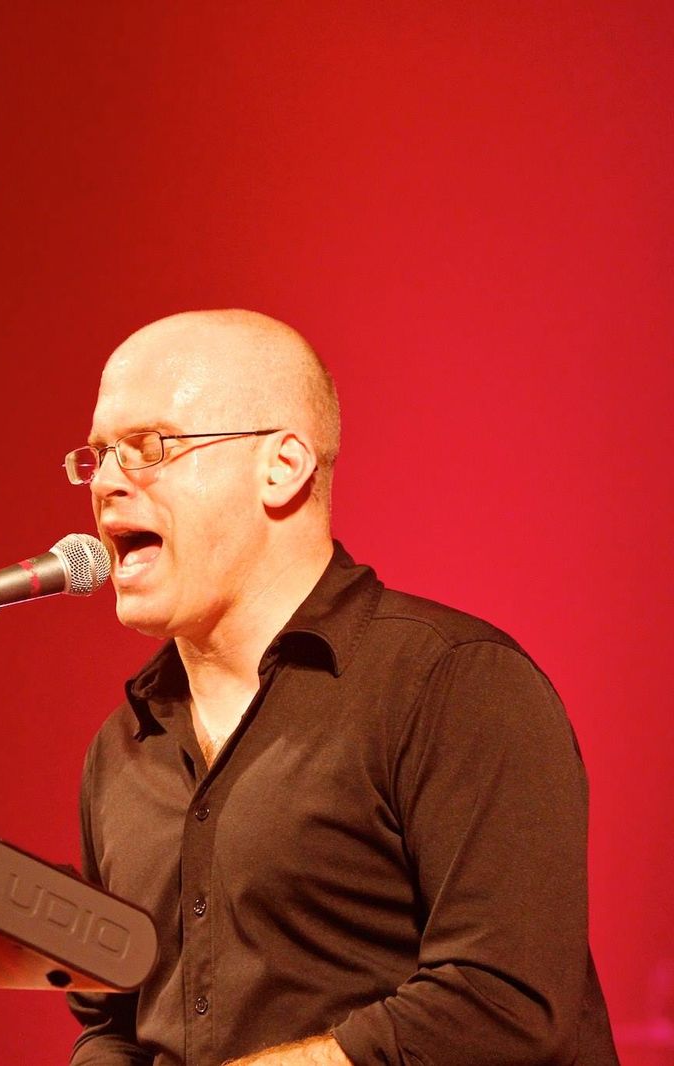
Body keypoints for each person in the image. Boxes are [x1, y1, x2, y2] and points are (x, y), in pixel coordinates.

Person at [64, 311, 617, 1065]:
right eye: (98, 456)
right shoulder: (124, 746)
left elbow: (504, 1003)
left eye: (149, 446)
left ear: (283, 466)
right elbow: (114, 1025)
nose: (107, 483)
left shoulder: (452, 682)